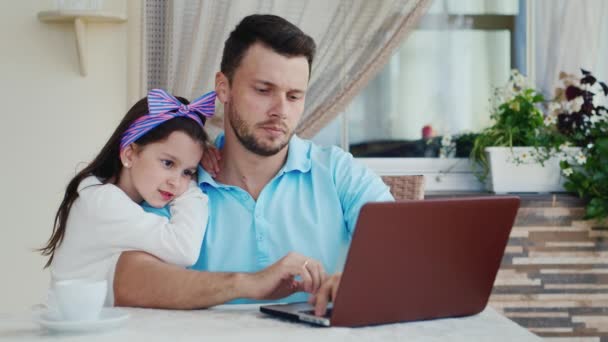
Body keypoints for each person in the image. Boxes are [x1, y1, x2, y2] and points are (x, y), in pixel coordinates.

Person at [113, 14, 393, 315]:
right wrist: (248, 284)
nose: (281, 111)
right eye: (263, 90)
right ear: (223, 87)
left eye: (294, 96)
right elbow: (130, 282)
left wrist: (356, 280)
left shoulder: (338, 171)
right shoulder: (179, 177)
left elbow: (405, 246)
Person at [39, 89, 216, 306]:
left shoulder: (122, 198)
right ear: (129, 154)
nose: (176, 182)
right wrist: (193, 188)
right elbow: (184, 249)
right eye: (168, 163)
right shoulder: (102, 202)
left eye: (188, 172)